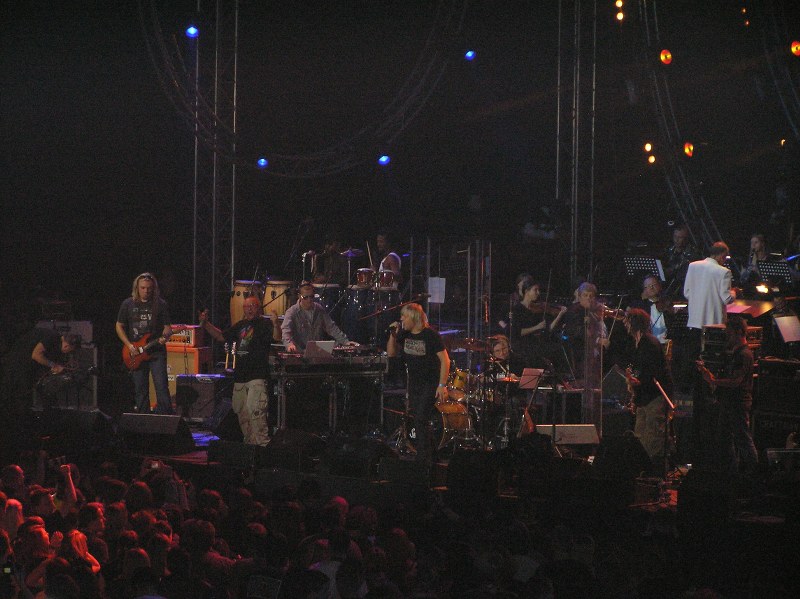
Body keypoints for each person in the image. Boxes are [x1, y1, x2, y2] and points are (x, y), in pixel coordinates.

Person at [199, 296, 279, 445]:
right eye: (246, 307)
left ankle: (263, 447)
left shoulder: (265, 324)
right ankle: (249, 447)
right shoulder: (240, 325)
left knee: (256, 413)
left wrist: (275, 324)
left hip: (257, 376)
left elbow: (276, 338)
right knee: (243, 415)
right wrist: (205, 324)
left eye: (252, 306)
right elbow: (221, 336)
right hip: (240, 378)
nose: (249, 309)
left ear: (259, 307)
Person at [386, 303, 450, 466]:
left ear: (414, 317)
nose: (401, 319)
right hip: (414, 384)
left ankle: (422, 458)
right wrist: (393, 335)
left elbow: (445, 360)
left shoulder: (430, 335)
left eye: (404, 316)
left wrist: (442, 384)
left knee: (421, 417)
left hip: (430, 383)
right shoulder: (404, 335)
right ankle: (434, 456)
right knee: (419, 419)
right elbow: (391, 353)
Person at [696, 316, 758, 474]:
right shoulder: (737, 354)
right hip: (730, 401)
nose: (727, 337)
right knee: (725, 439)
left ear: (738, 332)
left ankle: (753, 473)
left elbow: (736, 381)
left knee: (742, 439)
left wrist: (713, 380)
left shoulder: (743, 355)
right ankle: (731, 473)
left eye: (729, 333)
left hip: (738, 402)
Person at [116, 273, 174, 414]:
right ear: (137, 288)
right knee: (140, 389)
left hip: (156, 351)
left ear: (154, 288)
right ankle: (143, 419)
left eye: (149, 288)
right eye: (143, 288)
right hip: (136, 352)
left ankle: (164, 418)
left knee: (161, 386)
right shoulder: (128, 304)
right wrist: (129, 345)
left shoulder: (160, 304)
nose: (146, 291)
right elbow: (119, 325)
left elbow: (167, 327)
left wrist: (165, 337)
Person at [621, 308, 673, 467]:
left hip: (655, 395)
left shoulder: (650, 343)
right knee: (640, 435)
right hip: (644, 396)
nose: (625, 325)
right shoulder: (636, 344)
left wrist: (638, 381)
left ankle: (654, 469)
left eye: (627, 321)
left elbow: (653, 372)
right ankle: (642, 468)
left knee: (653, 435)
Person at [1, 327, 81, 420]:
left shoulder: (55, 342)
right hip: (17, 364)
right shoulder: (52, 337)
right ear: (66, 346)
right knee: (17, 394)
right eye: (70, 350)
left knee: (22, 395)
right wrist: (53, 365)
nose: (68, 353)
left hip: (22, 365)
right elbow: (36, 355)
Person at [509, 279, 567, 371]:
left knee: (559, 348)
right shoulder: (518, 309)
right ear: (527, 291)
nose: (538, 293)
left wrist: (560, 314)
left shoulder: (536, 309)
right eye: (535, 290)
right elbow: (517, 332)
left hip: (535, 344)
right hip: (524, 345)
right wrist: (537, 327)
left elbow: (548, 329)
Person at [282, 281, 352, 353]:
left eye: (311, 296)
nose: (309, 300)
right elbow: (286, 331)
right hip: (300, 353)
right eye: (305, 297)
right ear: (299, 296)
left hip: (317, 352)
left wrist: (346, 342)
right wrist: (289, 344)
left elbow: (331, 328)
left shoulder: (318, 309)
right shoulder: (291, 312)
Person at [662, 224, 700, 296]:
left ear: (686, 239)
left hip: (684, 287)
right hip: (668, 284)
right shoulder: (668, 250)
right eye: (675, 237)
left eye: (680, 237)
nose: (676, 240)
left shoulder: (692, 253)